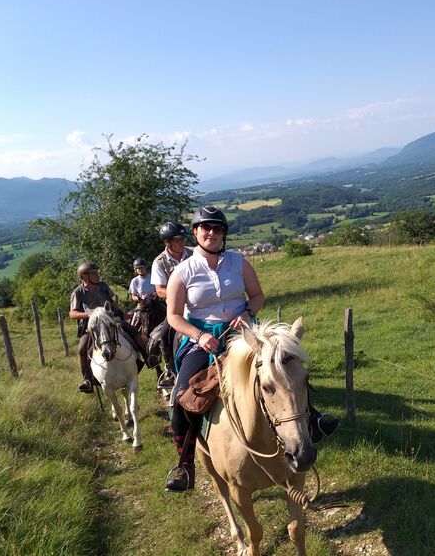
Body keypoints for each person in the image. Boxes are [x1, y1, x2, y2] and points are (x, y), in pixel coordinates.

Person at [163, 206, 337, 492]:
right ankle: (185, 464)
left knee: (284, 371)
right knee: (182, 399)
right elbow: (173, 316)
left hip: (245, 335)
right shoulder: (182, 272)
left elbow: (258, 296)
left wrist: (246, 312)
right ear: (195, 232)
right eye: (205, 228)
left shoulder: (238, 262)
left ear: (223, 235)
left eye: (217, 228)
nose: (211, 233)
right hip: (202, 340)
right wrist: (199, 335)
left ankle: (313, 420)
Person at [69, 262, 149, 393]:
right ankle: (86, 379)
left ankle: (148, 358)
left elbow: (112, 302)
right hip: (92, 326)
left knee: (133, 332)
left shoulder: (103, 286)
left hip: (111, 320)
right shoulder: (78, 292)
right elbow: (72, 313)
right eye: (94, 273)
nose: (97, 275)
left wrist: (121, 314)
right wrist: (90, 314)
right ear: (85, 277)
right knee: (82, 348)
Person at [151, 222, 194, 389]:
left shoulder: (193, 253)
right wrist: (178, 294)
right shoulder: (159, 262)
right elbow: (160, 290)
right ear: (167, 242)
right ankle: (169, 370)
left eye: (183, 238)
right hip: (176, 308)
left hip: (199, 303)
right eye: (178, 239)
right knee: (165, 334)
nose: (182, 242)